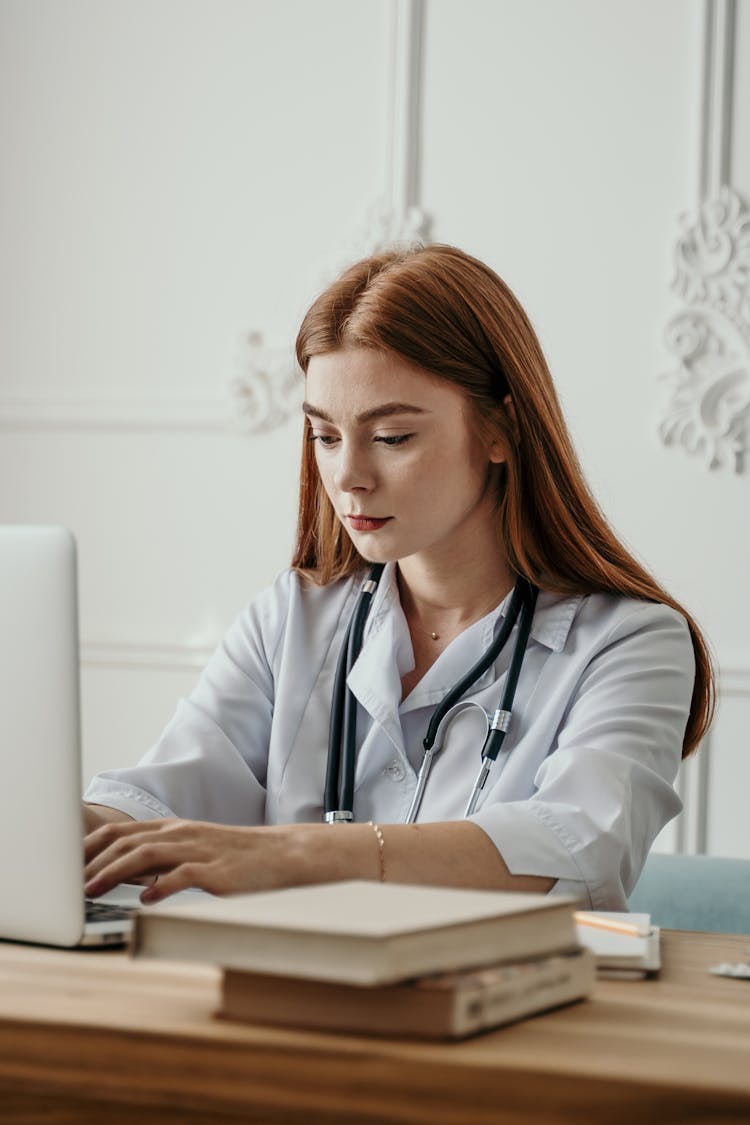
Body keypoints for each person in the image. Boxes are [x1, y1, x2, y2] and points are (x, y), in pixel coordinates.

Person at [83, 243, 714, 911]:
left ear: (499, 430)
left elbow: (579, 846)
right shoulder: (293, 616)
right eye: (325, 436)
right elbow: (158, 796)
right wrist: (67, 833)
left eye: (391, 437)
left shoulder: (634, 643)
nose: (349, 475)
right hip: (293, 1002)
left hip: (508, 1008)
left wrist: (296, 854)